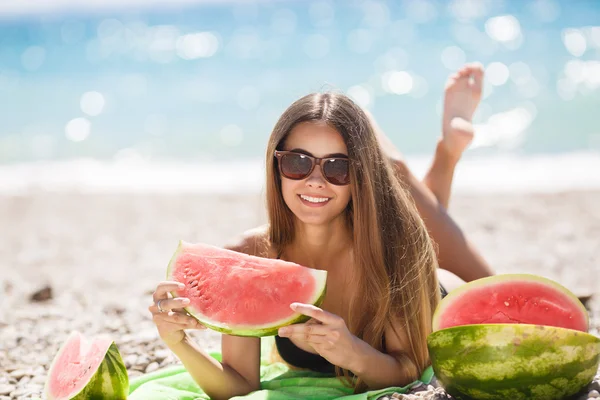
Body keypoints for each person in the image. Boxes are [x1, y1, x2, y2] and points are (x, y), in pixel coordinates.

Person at [148, 64, 494, 400]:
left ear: (358, 176)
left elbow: (409, 369)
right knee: (412, 210)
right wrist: (180, 345)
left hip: (440, 290)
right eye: (298, 162)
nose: (315, 180)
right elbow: (239, 387)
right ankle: (415, 156)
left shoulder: (394, 247)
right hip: (399, 236)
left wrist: (354, 354)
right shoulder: (248, 255)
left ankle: (443, 153)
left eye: (337, 167)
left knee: (494, 288)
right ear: (276, 166)